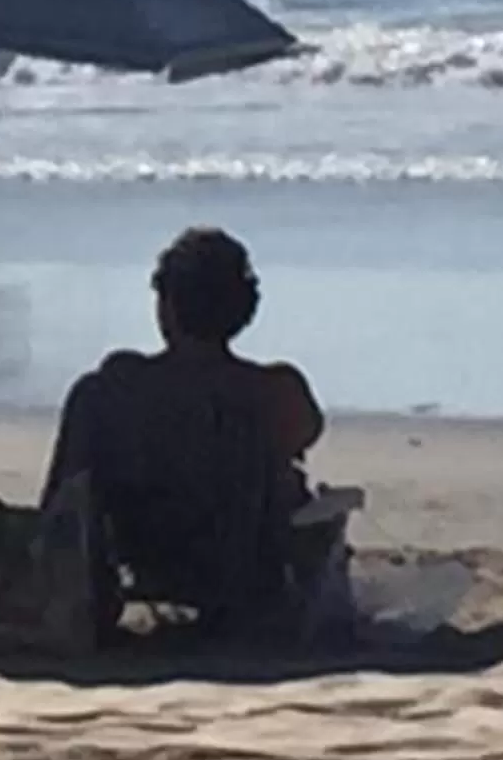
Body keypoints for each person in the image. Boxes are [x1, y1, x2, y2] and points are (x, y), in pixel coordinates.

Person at [40, 226, 331, 640]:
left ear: (168, 306)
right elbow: (305, 434)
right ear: (244, 309)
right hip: (243, 570)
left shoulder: (113, 389)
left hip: (148, 554)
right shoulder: (276, 392)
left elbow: (64, 495)